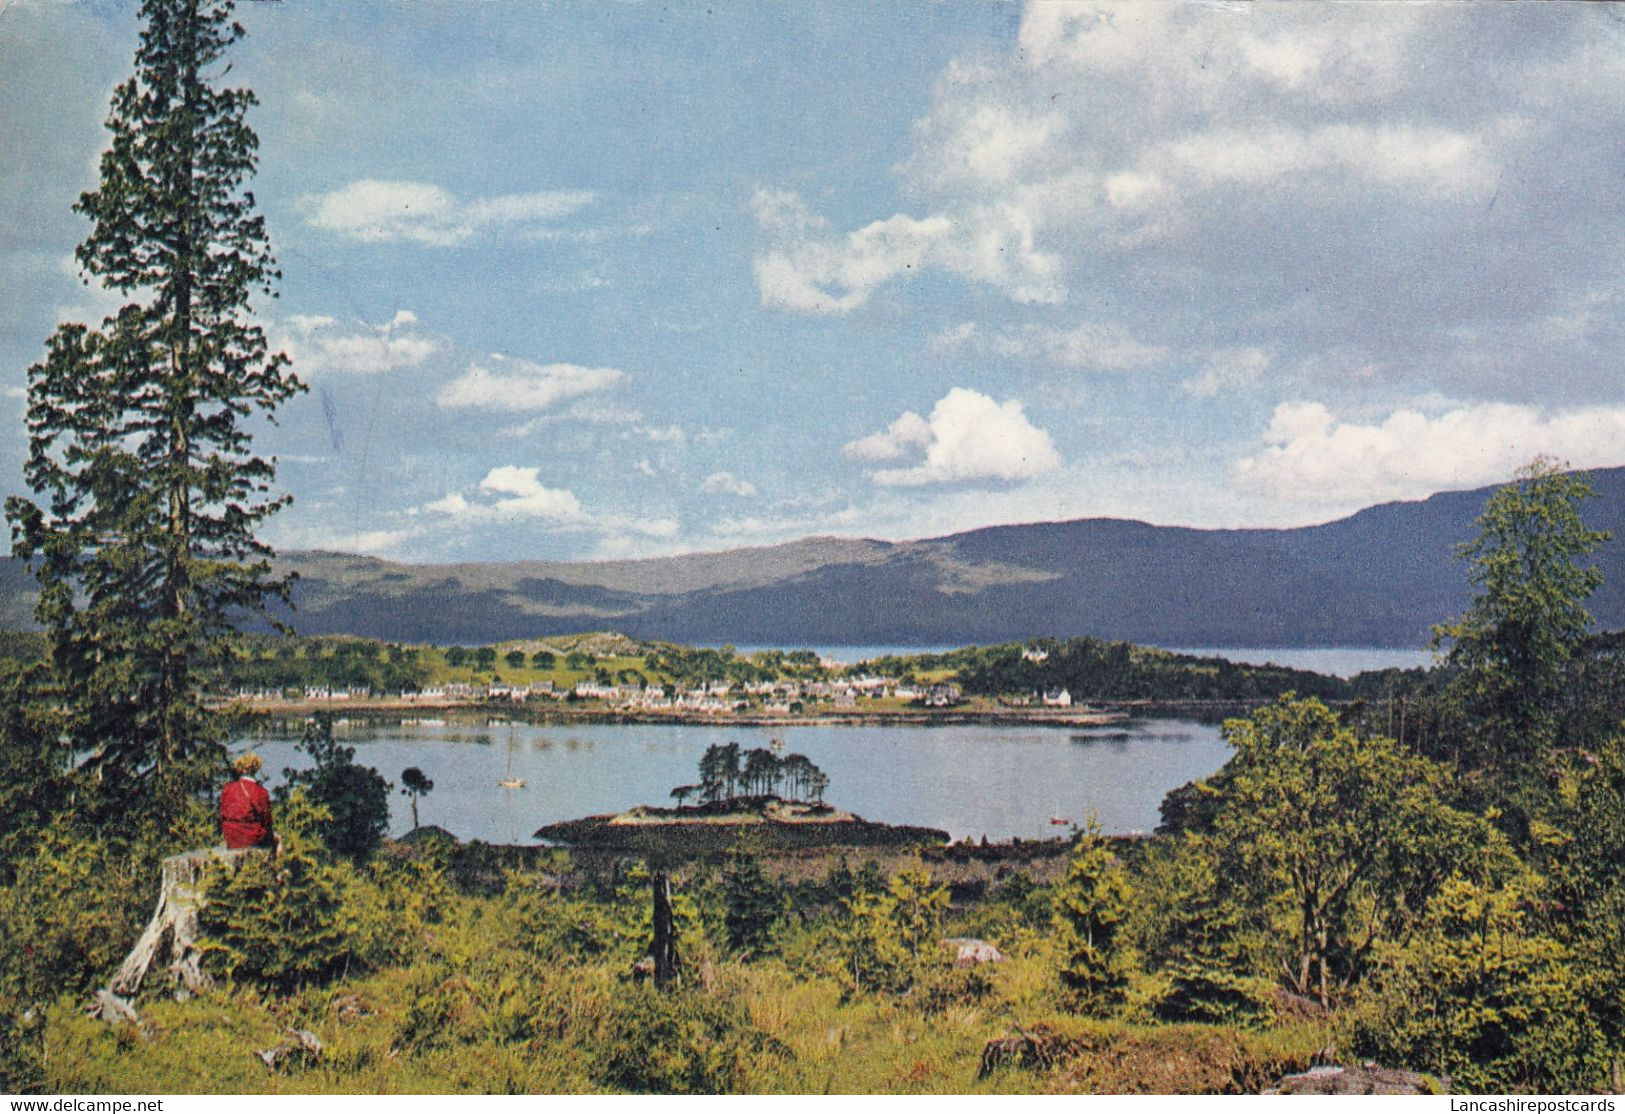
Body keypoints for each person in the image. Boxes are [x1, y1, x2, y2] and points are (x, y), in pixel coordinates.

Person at [220, 752, 276, 851]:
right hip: (251, 837)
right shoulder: (261, 792)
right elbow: (267, 821)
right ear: (256, 769)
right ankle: (275, 865)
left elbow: (222, 814)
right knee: (277, 840)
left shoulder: (228, 788)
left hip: (231, 836)